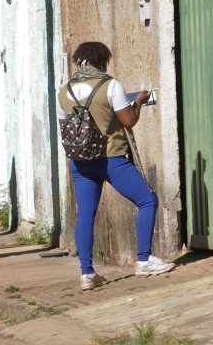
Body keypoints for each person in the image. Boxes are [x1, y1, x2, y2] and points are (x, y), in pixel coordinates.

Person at [56, 42, 175, 291]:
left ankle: (87, 273)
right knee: (147, 201)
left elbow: (65, 127)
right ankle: (143, 260)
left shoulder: (63, 91)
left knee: (86, 215)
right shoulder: (110, 85)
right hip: (111, 158)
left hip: (80, 162)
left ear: (79, 61)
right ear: (101, 60)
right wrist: (139, 101)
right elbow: (128, 120)